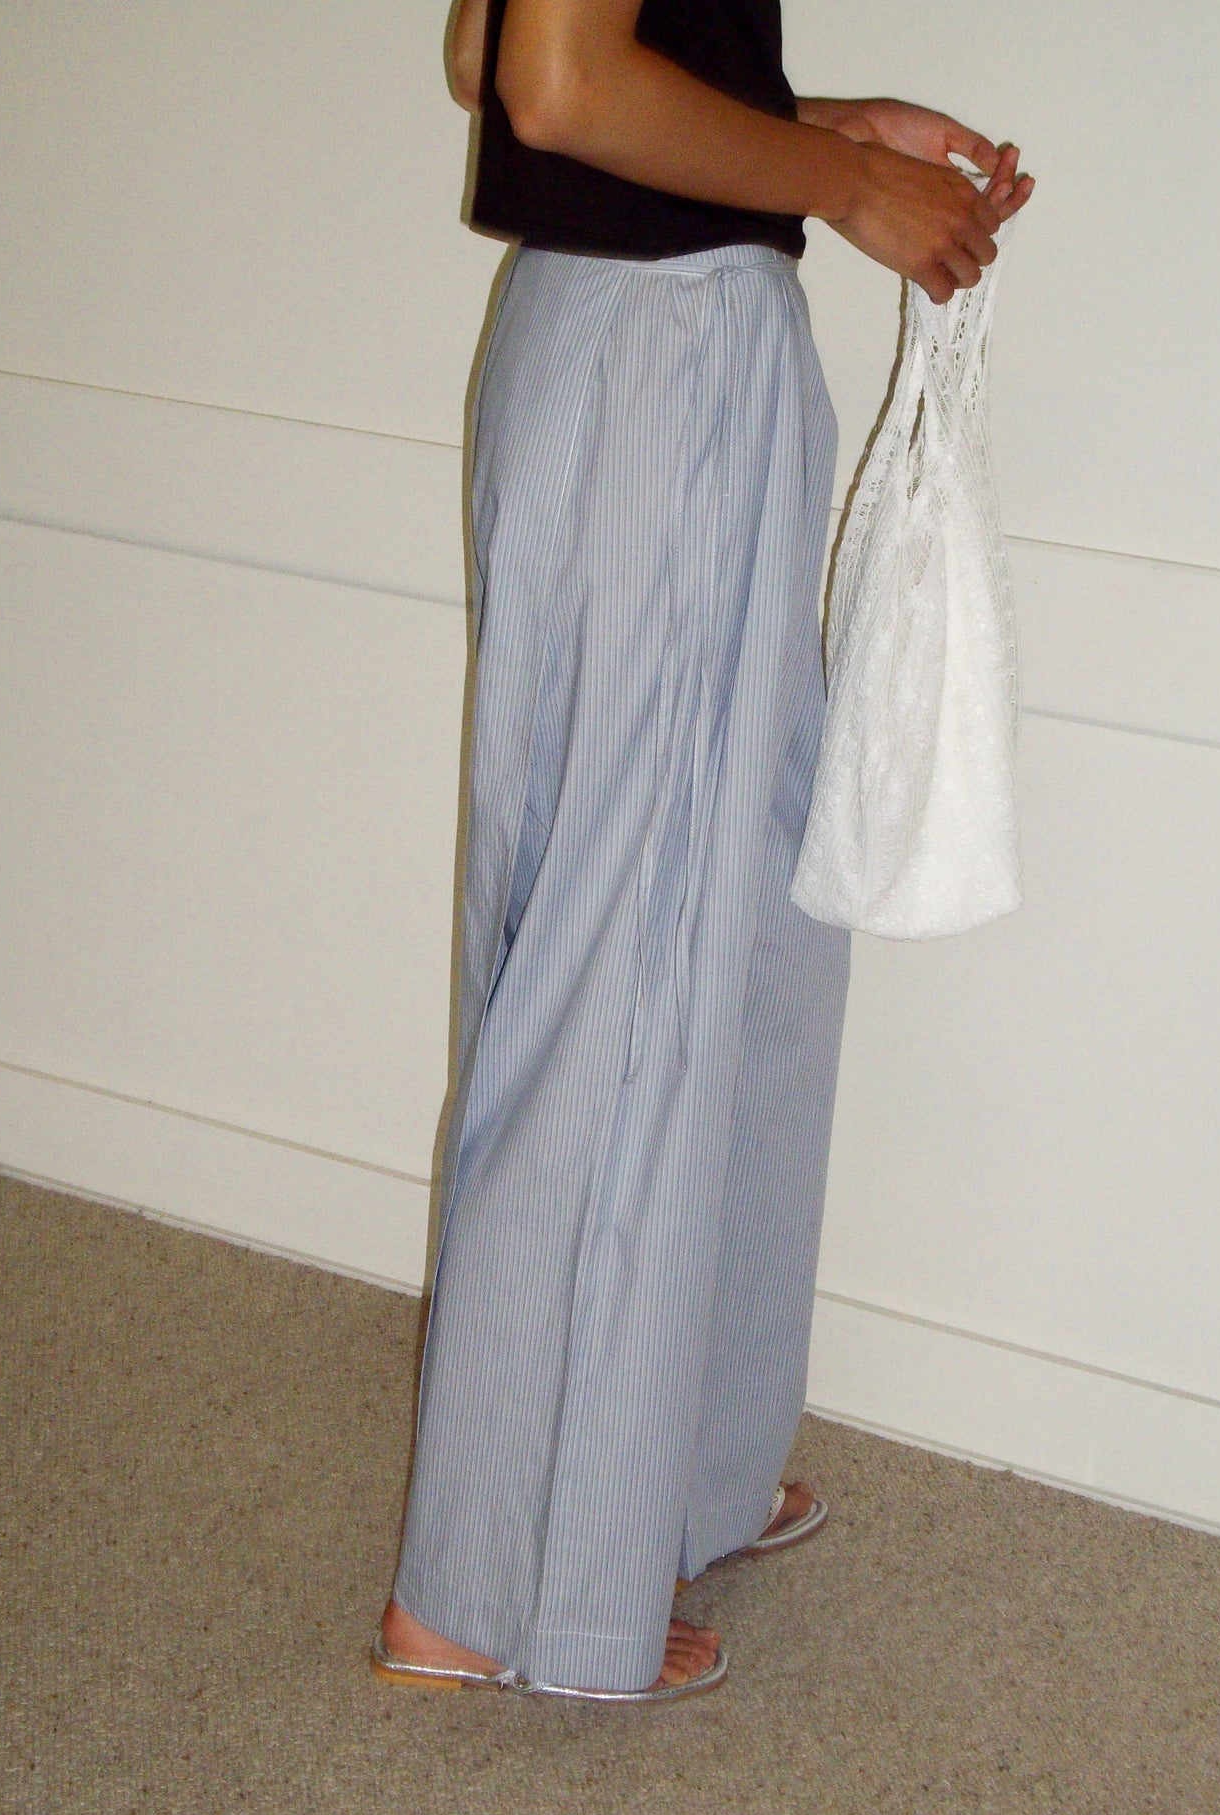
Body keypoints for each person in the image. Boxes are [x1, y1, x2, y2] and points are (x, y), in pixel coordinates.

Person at [371, 0, 1033, 1703]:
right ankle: (501, 1586)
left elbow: (493, 63)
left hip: (651, 342)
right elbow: (551, 83)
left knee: (728, 933)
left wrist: (807, 123)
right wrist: (831, 180)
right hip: (660, 350)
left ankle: (670, 1477)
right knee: (628, 970)